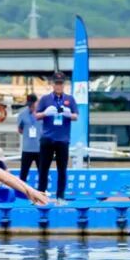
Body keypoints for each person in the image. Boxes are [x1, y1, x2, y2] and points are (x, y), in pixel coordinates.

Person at [35, 72, 78, 205]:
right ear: (52, 84)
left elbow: (76, 116)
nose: (58, 86)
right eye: (56, 83)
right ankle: (41, 196)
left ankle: (60, 197)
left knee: (62, 170)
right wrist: (45, 113)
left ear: (64, 85)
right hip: (47, 138)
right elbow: (36, 115)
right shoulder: (45, 99)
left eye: (61, 83)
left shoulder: (70, 99)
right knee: (43, 169)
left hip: (62, 140)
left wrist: (68, 114)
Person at [17, 94, 42, 183]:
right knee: (23, 173)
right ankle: (21, 189)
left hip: (40, 148)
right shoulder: (22, 114)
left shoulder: (42, 113)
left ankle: (43, 189)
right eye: (29, 105)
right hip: (27, 148)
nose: (30, 107)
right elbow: (20, 130)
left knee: (42, 172)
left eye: (32, 104)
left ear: (37, 102)